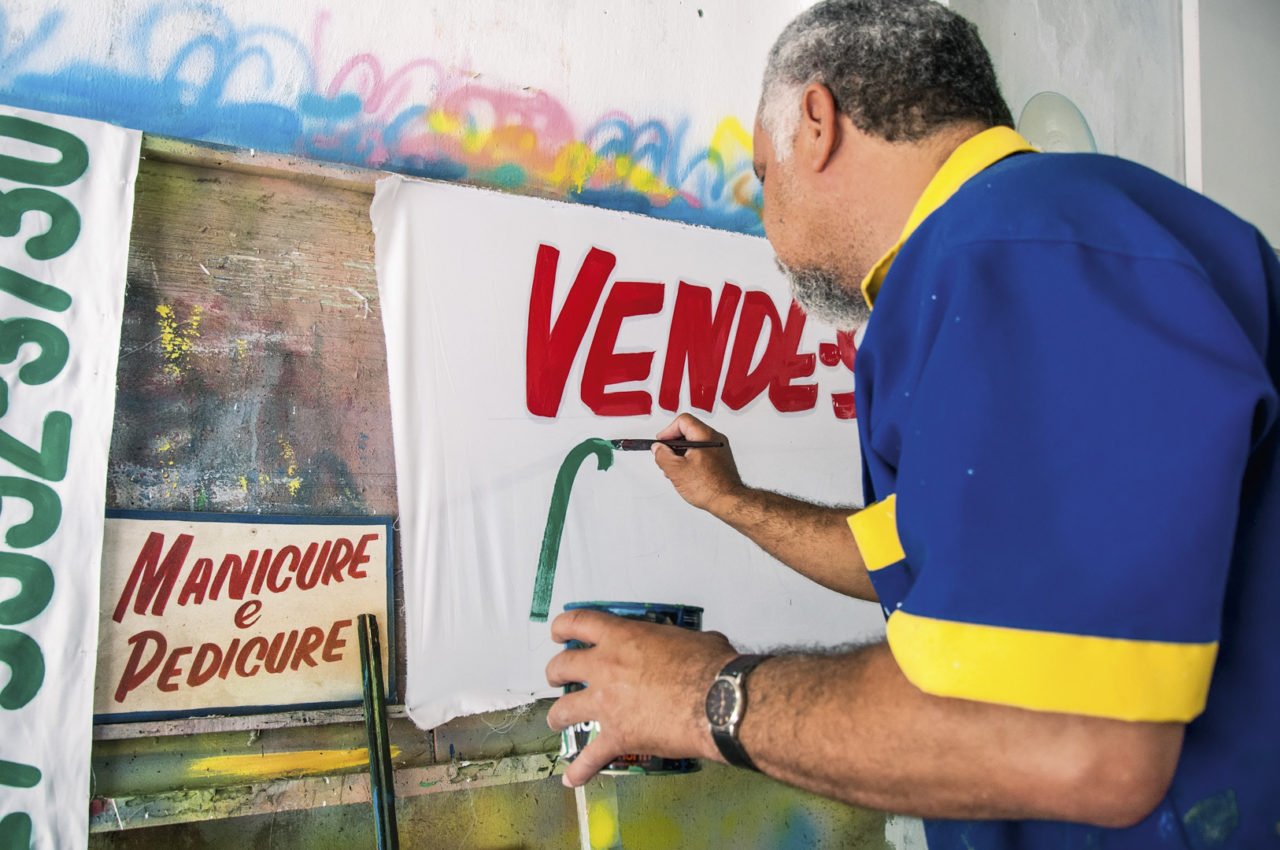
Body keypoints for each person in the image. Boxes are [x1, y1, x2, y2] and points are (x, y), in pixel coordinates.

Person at [544, 1, 1280, 846]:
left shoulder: (1012, 254)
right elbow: (907, 556)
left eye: (761, 175)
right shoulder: (1015, 246)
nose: (764, 222)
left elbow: (1077, 744)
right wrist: (729, 497)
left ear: (814, 123)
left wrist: (699, 697)